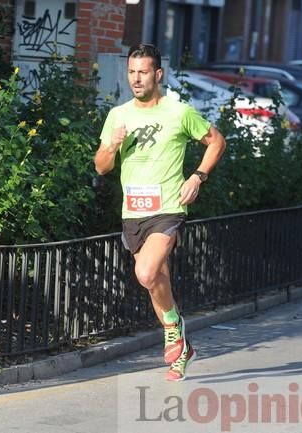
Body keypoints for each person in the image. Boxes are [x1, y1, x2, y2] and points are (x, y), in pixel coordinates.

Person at [94, 43, 226, 381]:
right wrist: (112, 144)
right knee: (156, 280)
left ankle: (172, 326)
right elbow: (102, 167)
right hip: (133, 211)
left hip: (167, 207)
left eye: (142, 72)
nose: (136, 79)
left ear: (158, 74)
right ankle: (181, 350)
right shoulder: (118, 116)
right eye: (131, 73)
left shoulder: (178, 112)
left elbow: (216, 141)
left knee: (147, 272)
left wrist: (198, 176)